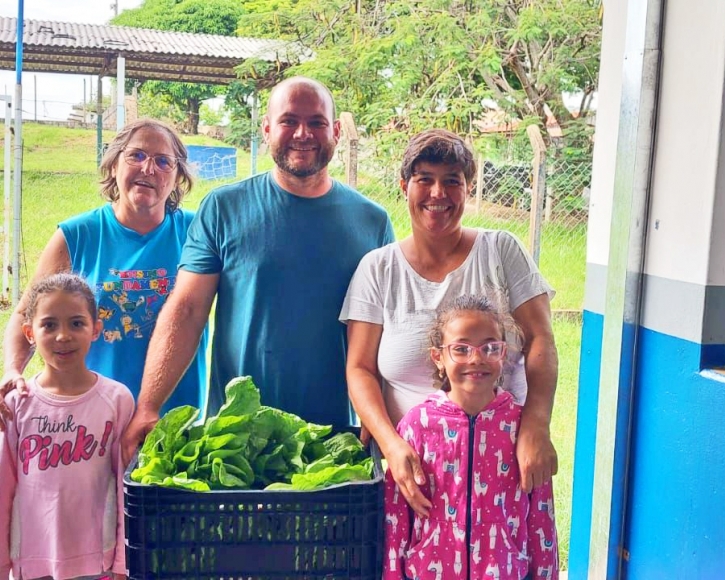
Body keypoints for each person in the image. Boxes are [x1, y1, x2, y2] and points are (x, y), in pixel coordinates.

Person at [120, 76, 394, 464]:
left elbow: (385, 330)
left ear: (335, 131)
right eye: (288, 121)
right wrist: (149, 405)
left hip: (333, 443)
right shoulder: (224, 209)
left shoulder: (372, 221)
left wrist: (380, 416)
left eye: (316, 122)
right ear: (267, 129)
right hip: (235, 442)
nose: (303, 133)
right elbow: (187, 310)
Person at [341, 128, 558, 516]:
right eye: (425, 179)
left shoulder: (501, 250)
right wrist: (390, 444)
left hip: (504, 462)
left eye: (452, 181)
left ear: (469, 188)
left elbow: (541, 338)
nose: (438, 194)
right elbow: (359, 368)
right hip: (415, 473)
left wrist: (536, 426)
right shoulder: (378, 269)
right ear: (404, 186)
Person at [0, 118, 208, 428]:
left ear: (178, 177)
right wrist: (12, 370)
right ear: (113, 165)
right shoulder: (77, 235)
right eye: (136, 155)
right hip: (91, 421)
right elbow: (26, 314)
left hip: (175, 420)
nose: (148, 169)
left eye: (163, 161)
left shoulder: (198, 232)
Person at [383, 295, 559, 580]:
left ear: (503, 354)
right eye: (461, 349)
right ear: (438, 357)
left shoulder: (522, 427)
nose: (476, 358)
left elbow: (542, 516)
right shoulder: (417, 425)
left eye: (490, 347)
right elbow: (396, 516)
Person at [0, 273, 133, 580]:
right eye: (49, 325)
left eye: (76, 323)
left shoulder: (117, 399)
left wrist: (123, 563)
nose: (63, 336)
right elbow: (4, 487)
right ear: (29, 332)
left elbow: (125, 488)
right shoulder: (17, 402)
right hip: (33, 562)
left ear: (96, 329)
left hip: (97, 562)